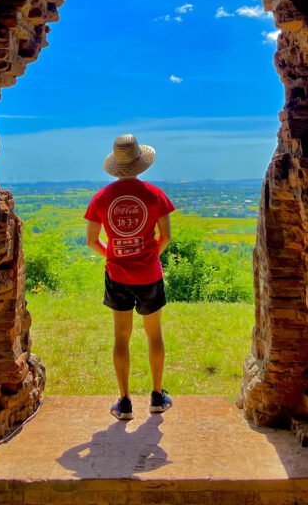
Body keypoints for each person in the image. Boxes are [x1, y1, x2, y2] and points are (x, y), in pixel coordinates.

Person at [85, 133, 175, 420]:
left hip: (117, 275)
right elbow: (167, 237)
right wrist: (150, 255)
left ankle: (124, 402)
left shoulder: (101, 198)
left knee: (121, 338)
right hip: (149, 274)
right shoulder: (154, 194)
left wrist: (112, 255)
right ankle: (158, 397)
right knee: (154, 334)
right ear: (140, 162)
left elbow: (91, 241)